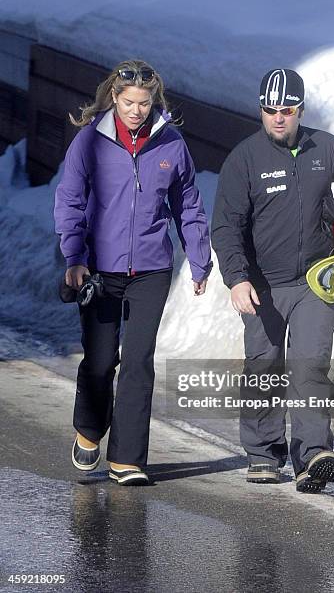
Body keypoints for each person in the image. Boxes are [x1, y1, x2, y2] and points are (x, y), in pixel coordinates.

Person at [211, 68, 334, 493]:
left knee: (310, 366)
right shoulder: (244, 159)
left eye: (286, 110)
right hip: (262, 285)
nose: (278, 118)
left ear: (300, 110)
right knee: (264, 368)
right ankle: (264, 454)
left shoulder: (327, 149)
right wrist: (237, 278)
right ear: (261, 110)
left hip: (315, 283)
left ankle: (313, 454)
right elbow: (225, 226)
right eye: (270, 110)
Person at [54, 59, 212, 486]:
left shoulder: (171, 144)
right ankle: (88, 429)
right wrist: (74, 257)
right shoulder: (90, 141)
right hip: (99, 268)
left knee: (139, 361)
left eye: (144, 103)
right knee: (102, 360)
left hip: (151, 267)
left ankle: (127, 459)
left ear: (153, 101)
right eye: (128, 103)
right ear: (114, 98)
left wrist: (199, 259)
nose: (136, 111)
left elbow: (189, 205)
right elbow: (69, 199)